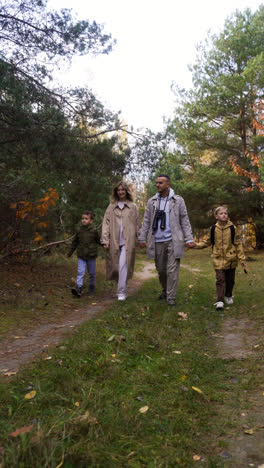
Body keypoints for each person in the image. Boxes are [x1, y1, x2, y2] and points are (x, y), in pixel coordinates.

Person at [139, 174, 195, 306]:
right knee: (161, 270)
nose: (157, 185)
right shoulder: (152, 201)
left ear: (168, 184)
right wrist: (142, 237)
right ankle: (165, 290)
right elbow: (146, 221)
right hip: (157, 240)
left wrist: (189, 238)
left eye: (161, 183)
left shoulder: (178, 200)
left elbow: (184, 220)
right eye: (157, 183)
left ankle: (171, 297)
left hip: (173, 240)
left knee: (172, 270)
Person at [193, 206, 246, 310]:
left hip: (231, 258)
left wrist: (242, 259)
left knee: (230, 280)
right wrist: (194, 245)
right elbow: (207, 242)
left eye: (225, 213)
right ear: (217, 216)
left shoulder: (232, 228)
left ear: (228, 216)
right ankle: (220, 301)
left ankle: (228, 295)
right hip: (218, 258)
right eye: (221, 213)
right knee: (220, 280)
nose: (223, 215)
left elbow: (238, 244)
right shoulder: (213, 229)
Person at [101, 181, 141, 301]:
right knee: (115, 267)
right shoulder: (111, 206)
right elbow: (106, 224)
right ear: (116, 192)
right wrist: (105, 240)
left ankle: (121, 292)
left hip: (128, 242)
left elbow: (138, 223)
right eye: (118, 190)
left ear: (126, 191)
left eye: (122, 190)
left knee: (124, 265)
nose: (120, 192)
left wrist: (141, 238)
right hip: (114, 241)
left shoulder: (133, 207)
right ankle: (121, 287)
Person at [68, 211, 100, 297]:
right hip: (81, 255)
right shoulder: (79, 230)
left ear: (91, 221)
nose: (84, 220)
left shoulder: (94, 231)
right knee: (80, 272)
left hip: (91, 255)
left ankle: (91, 287)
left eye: (86, 219)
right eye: (82, 218)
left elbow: (99, 241)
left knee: (92, 273)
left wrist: (106, 245)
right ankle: (78, 288)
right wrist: (70, 252)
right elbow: (75, 242)